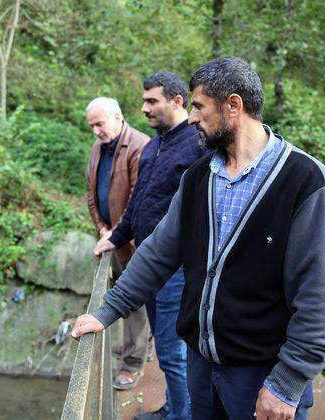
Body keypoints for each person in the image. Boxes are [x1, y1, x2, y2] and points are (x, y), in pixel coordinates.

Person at [72, 56, 325, 420]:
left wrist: (287, 383)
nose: (194, 117)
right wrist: (106, 312)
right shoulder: (200, 174)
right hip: (202, 368)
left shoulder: (307, 182)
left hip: (262, 375)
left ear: (233, 106)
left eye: (199, 106)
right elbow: (158, 252)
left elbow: (320, 297)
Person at [93, 72, 205, 420]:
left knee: (172, 352)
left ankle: (181, 416)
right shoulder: (155, 145)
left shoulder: (197, 144)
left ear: (177, 101)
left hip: (178, 268)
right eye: (143, 101)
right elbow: (139, 203)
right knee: (165, 347)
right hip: (151, 263)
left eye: (152, 101)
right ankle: (173, 408)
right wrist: (114, 236)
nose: (143, 108)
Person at [85, 96, 151, 390]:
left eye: (99, 123)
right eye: (92, 126)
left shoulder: (140, 145)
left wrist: (116, 233)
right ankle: (130, 344)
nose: (96, 130)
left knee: (134, 301)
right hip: (110, 238)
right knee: (119, 295)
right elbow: (90, 191)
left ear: (117, 117)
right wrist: (102, 229)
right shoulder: (98, 148)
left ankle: (134, 362)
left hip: (134, 241)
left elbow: (139, 199)